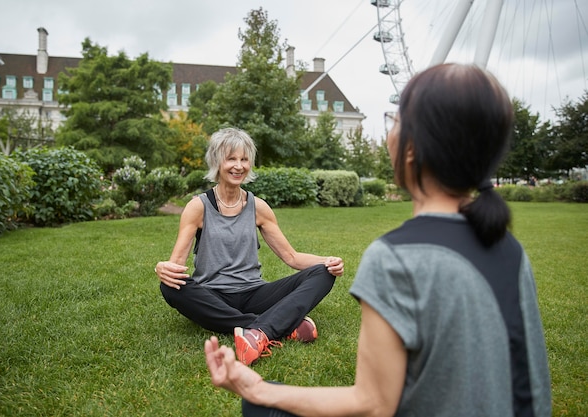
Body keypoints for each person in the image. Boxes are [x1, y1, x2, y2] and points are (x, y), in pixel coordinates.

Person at [204, 64, 552, 416]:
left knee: (260, 406)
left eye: (395, 121)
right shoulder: (509, 248)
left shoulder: (395, 258)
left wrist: (258, 389)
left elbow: (373, 405)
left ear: (412, 148)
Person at [156, 127, 344, 366]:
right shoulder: (198, 207)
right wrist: (162, 268)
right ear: (217, 162)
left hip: (254, 292)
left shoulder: (259, 207)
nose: (238, 166)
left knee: (323, 273)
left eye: (244, 159)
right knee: (170, 287)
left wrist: (328, 261)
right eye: (231, 158)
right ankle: (275, 325)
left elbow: (292, 257)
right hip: (214, 295)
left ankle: (257, 330)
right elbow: (176, 266)